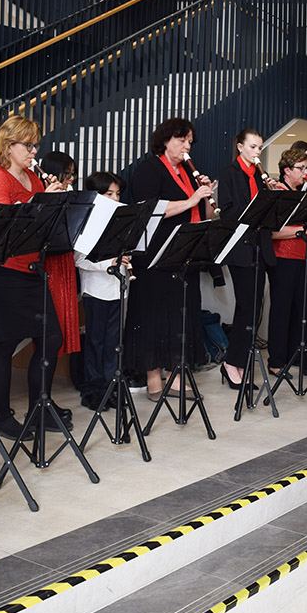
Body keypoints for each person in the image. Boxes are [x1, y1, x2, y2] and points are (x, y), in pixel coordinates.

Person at [0, 116, 73, 437]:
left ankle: (38, 407)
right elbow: (3, 225)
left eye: (35, 145)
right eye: (28, 145)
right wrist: (40, 201)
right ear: (8, 146)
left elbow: (44, 226)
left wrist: (55, 201)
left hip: (32, 269)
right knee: (3, 346)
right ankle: (3, 417)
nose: (34, 151)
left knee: (51, 338)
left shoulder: (34, 177)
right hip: (2, 271)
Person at [125, 118, 214, 402]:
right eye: (181, 140)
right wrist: (191, 200)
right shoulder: (149, 169)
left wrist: (206, 195)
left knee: (182, 316)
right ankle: (154, 382)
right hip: (154, 257)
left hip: (184, 254)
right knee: (152, 317)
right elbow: (149, 209)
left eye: (189, 141)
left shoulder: (188, 172)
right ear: (165, 141)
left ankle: (176, 379)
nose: (187, 146)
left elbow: (207, 215)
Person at [217, 128, 275, 390]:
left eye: (260, 147)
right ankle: (232, 363)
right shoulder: (229, 173)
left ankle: (240, 363)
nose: (257, 152)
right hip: (240, 249)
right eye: (252, 147)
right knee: (246, 307)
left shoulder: (261, 176)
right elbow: (228, 212)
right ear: (240, 147)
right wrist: (258, 205)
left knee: (255, 309)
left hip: (259, 248)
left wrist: (272, 197)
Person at [266, 148, 307, 378]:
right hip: (283, 259)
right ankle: (276, 362)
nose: (305, 172)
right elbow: (273, 232)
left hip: (305, 257)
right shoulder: (278, 193)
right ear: (287, 170)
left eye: (306, 168)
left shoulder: (304, 193)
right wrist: (306, 229)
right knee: (281, 311)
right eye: (301, 168)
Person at [75, 172, 129, 410]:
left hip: (118, 288)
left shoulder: (123, 218)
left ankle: (110, 388)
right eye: (109, 194)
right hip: (96, 289)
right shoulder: (86, 220)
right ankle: (92, 390)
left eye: (117, 194)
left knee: (113, 343)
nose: (115, 199)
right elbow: (79, 259)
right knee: (95, 342)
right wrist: (108, 264)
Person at [38, 150, 82, 375]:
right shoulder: (43, 192)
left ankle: (47, 388)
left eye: (73, 173)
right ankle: (42, 389)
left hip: (65, 259)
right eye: (67, 173)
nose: (71, 178)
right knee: (50, 331)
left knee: (60, 328)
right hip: (50, 263)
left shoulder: (69, 195)